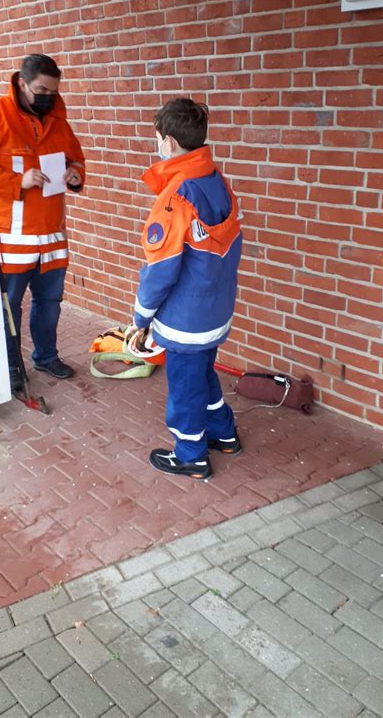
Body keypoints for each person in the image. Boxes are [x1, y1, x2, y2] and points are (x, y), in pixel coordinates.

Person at [132, 98, 243, 480]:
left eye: (158, 138)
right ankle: (224, 433)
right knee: (205, 373)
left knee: (183, 388)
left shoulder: (176, 197)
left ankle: (191, 455)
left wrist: (141, 318)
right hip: (216, 309)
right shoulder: (217, 182)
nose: (157, 145)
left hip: (185, 319)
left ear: (170, 143)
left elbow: (160, 270)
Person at [0, 53, 85, 392]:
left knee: (49, 303)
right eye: (42, 89)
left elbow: (76, 160)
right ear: (22, 84)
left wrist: (74, 175)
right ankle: (10, 366)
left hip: (52, 235)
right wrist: (18, 181)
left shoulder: (58, 119)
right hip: (11, 239)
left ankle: (46, 356)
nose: (48, 97)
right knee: (8, 308)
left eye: (53, 91)